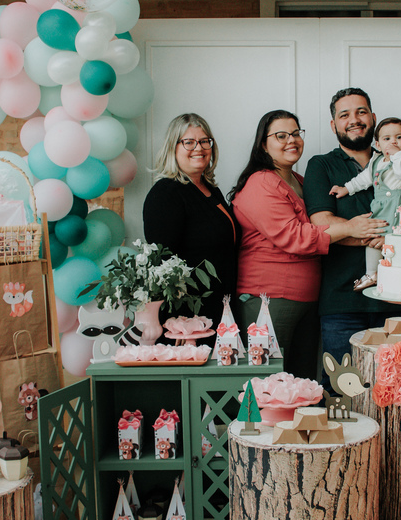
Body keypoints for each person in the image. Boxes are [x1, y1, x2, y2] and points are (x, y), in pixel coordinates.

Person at [231, 109, 384, 379]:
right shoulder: (261, 182)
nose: (291, 140)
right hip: (269, 298)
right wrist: (350, 227)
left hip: (307, 298)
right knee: (268, 383)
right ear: (263, 144)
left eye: (295, 133)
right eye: (281, 135)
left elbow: (315, 229)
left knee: (299, 385)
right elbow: (294, 236)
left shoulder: (299, 182)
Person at [302, 89, 395, 367]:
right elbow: (322, 225)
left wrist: (355, 229)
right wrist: (385, 237)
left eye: (361, 112)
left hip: (395, 301)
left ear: (373, 118)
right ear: (334, 125)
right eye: (345, 115)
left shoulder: (395, 163)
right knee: (340, 390)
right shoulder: (321, 166)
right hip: (341, 303)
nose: (354, 120)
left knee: (396, 394)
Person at [143, 113, 239, 340]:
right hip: (188, 316)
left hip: (219, 303)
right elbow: (163, 264)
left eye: (205, 141)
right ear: (173, 147)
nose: (199, 148)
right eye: (189, 142)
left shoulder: (209, 189)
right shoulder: (166, 193)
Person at [330, 117, 401, 290]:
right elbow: (363, 179)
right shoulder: (376, 161)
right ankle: (372, 273)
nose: (393, 142)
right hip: (383, 208)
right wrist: (346, 189)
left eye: (399, 137)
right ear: (378, 144)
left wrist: (397, 155)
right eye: (387, 139)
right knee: (373, 239)